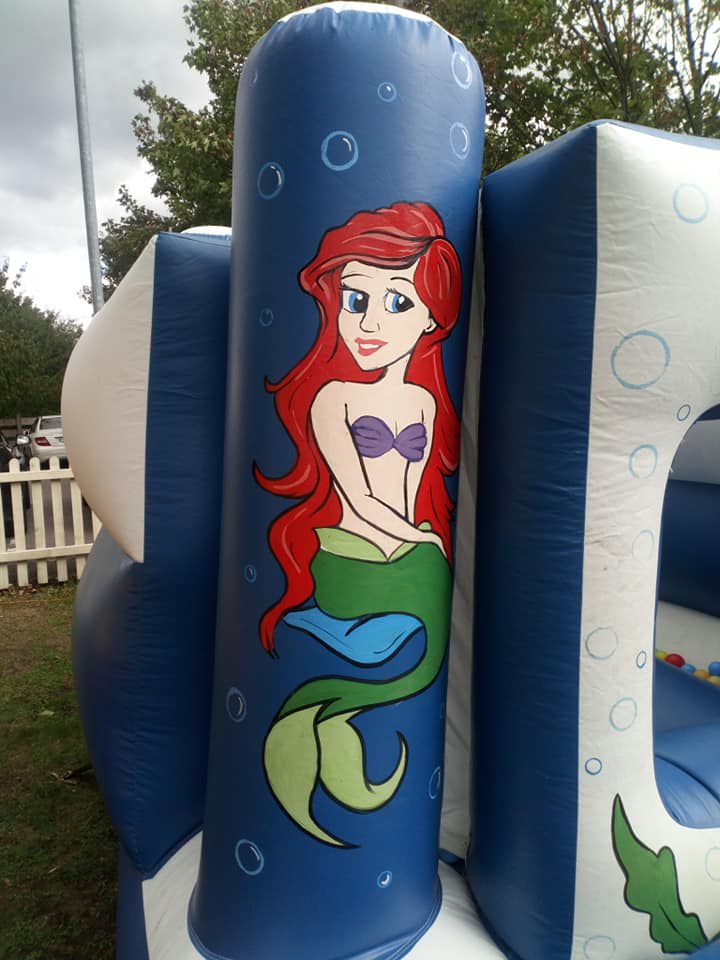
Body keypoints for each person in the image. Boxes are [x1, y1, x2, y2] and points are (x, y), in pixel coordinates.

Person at [256, 202, 463, 846]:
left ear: (431, 317)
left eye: (397, 303)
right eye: (355, 299)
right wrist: (421, 542)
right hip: (349, 557)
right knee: (420, 605)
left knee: (420, 652)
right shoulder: (333, 398)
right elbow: (361, 496)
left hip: (402, 553)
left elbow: (413, 488)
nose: (369, 323)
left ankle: (337, 723)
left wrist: (417, 541)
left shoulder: (424, 401)